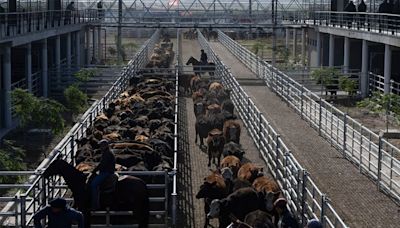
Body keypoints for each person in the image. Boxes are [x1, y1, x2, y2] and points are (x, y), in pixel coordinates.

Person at [90, 139, 115, 210]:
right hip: (107, 171)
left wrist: (95, 170)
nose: (100, 147)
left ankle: (95, 205)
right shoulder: (107, 152)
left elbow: (102, 164)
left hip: (106, 172)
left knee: (94, 184)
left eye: (101, 146)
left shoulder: (107, 154)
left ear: (105, 146)